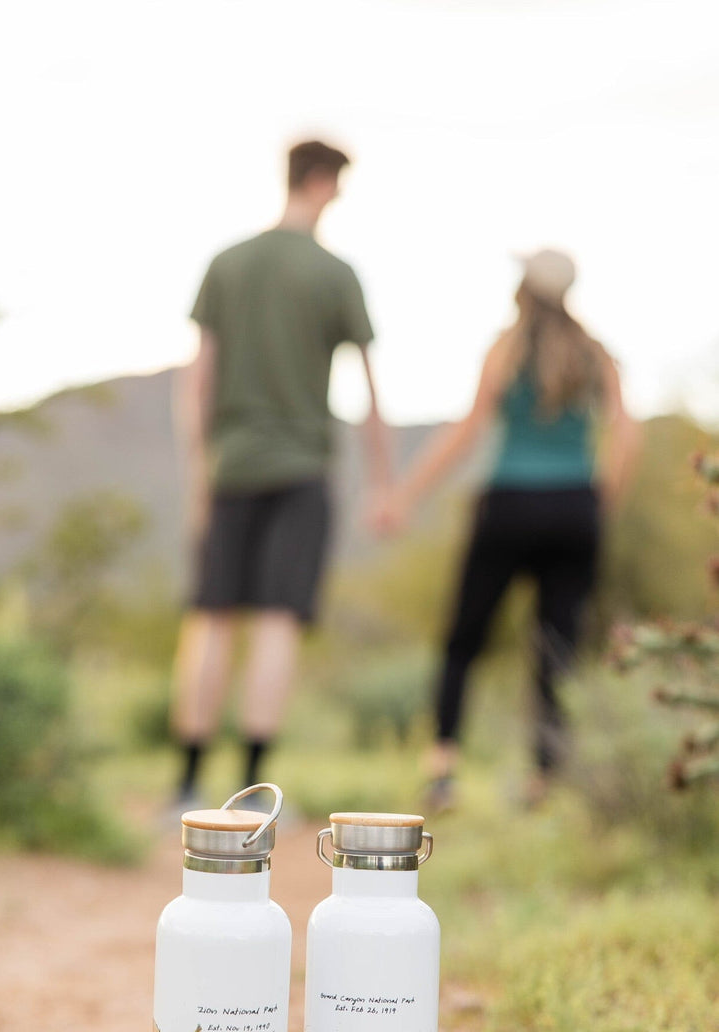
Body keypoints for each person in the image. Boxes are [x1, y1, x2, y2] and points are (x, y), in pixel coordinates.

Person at [169, 139, 392, 806]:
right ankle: (252, 788)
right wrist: (383, 482)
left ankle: (185, 785)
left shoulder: (228, 264)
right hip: (301, 470)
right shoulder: (335, 273)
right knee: (276, 621)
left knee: (210, 619)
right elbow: (372, 391)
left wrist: (200, 475)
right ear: (323, 183)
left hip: (231, 466)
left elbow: (196, 382)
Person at [389, 248, 639, 809]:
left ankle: (443, 770)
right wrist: (600, 503)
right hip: (576, 508)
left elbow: (469, 428)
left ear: (524, 289)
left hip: (509, 504)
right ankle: (544, 779)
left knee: (464, 639)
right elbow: (627, 435)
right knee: (557, 644)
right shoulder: (595, 354)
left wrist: (407, 494)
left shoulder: (506, 349)